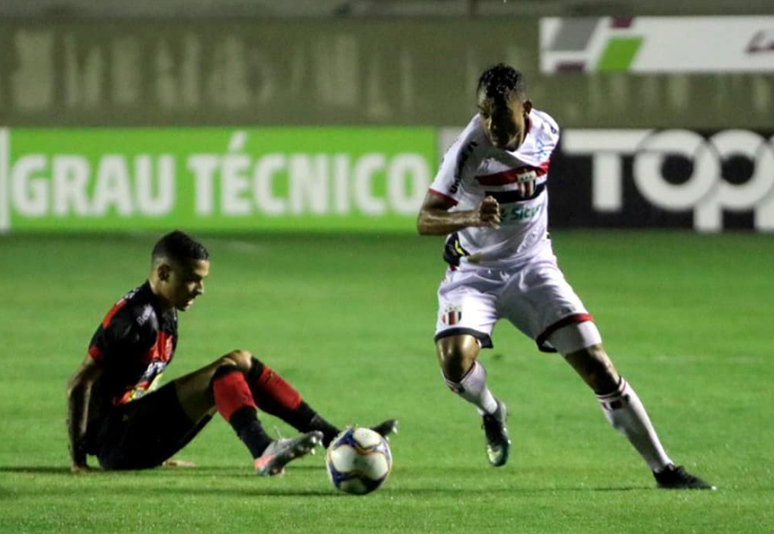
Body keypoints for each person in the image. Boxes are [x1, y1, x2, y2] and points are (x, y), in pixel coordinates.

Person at [416, 63, 713, 490]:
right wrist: (470, 216)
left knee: (598, 367)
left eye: (500, 115)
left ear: (527, 109)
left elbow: (530, 192)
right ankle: (492, 411)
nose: (491, 125)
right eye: (484, 114)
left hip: (535, 268)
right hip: (476, 274)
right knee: (454, 363)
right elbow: (425, 219)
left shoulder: (548, 132)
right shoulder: (468, 149)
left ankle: (665, 470)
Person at [67, 230, 396, 475]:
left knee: (242, 361)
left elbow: (140, 383)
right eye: (193, 279)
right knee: (224, 373)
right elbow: (79, 384)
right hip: (115, 442)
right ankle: (264, 450)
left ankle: (334, 437)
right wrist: (79, 461)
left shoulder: (165, 310)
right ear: (164, 273)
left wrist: (161, 443)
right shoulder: (133, 319)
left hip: (135, 434)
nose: (201, 289)